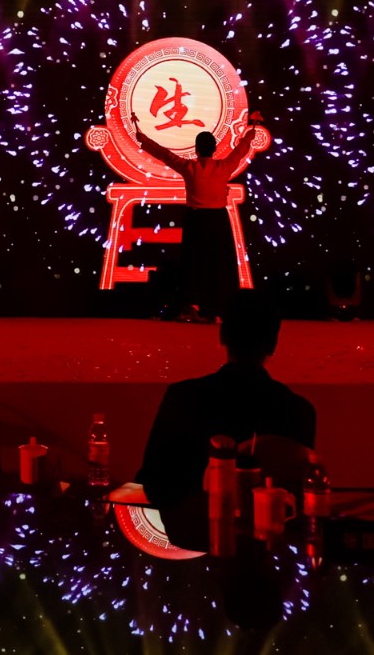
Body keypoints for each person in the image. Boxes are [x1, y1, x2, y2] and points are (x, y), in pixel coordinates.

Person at [136, 294, 317, 534]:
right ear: (273, 343)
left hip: (194, 535)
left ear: (222, 335)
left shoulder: (182, 398)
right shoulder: (300, 411)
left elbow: (153, 483)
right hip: (270, 540)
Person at [132, 111, 265, 319]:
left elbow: (164, 154)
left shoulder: (190, 167)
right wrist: (251, 132)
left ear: (196, 149)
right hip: (218, 221)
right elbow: (240, 151)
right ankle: (216, 307)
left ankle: (192, 305)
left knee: (194, 263)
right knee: (218, 264)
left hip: (196, 221)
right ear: (214, 149)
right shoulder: (224, 167)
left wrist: (144, 140)